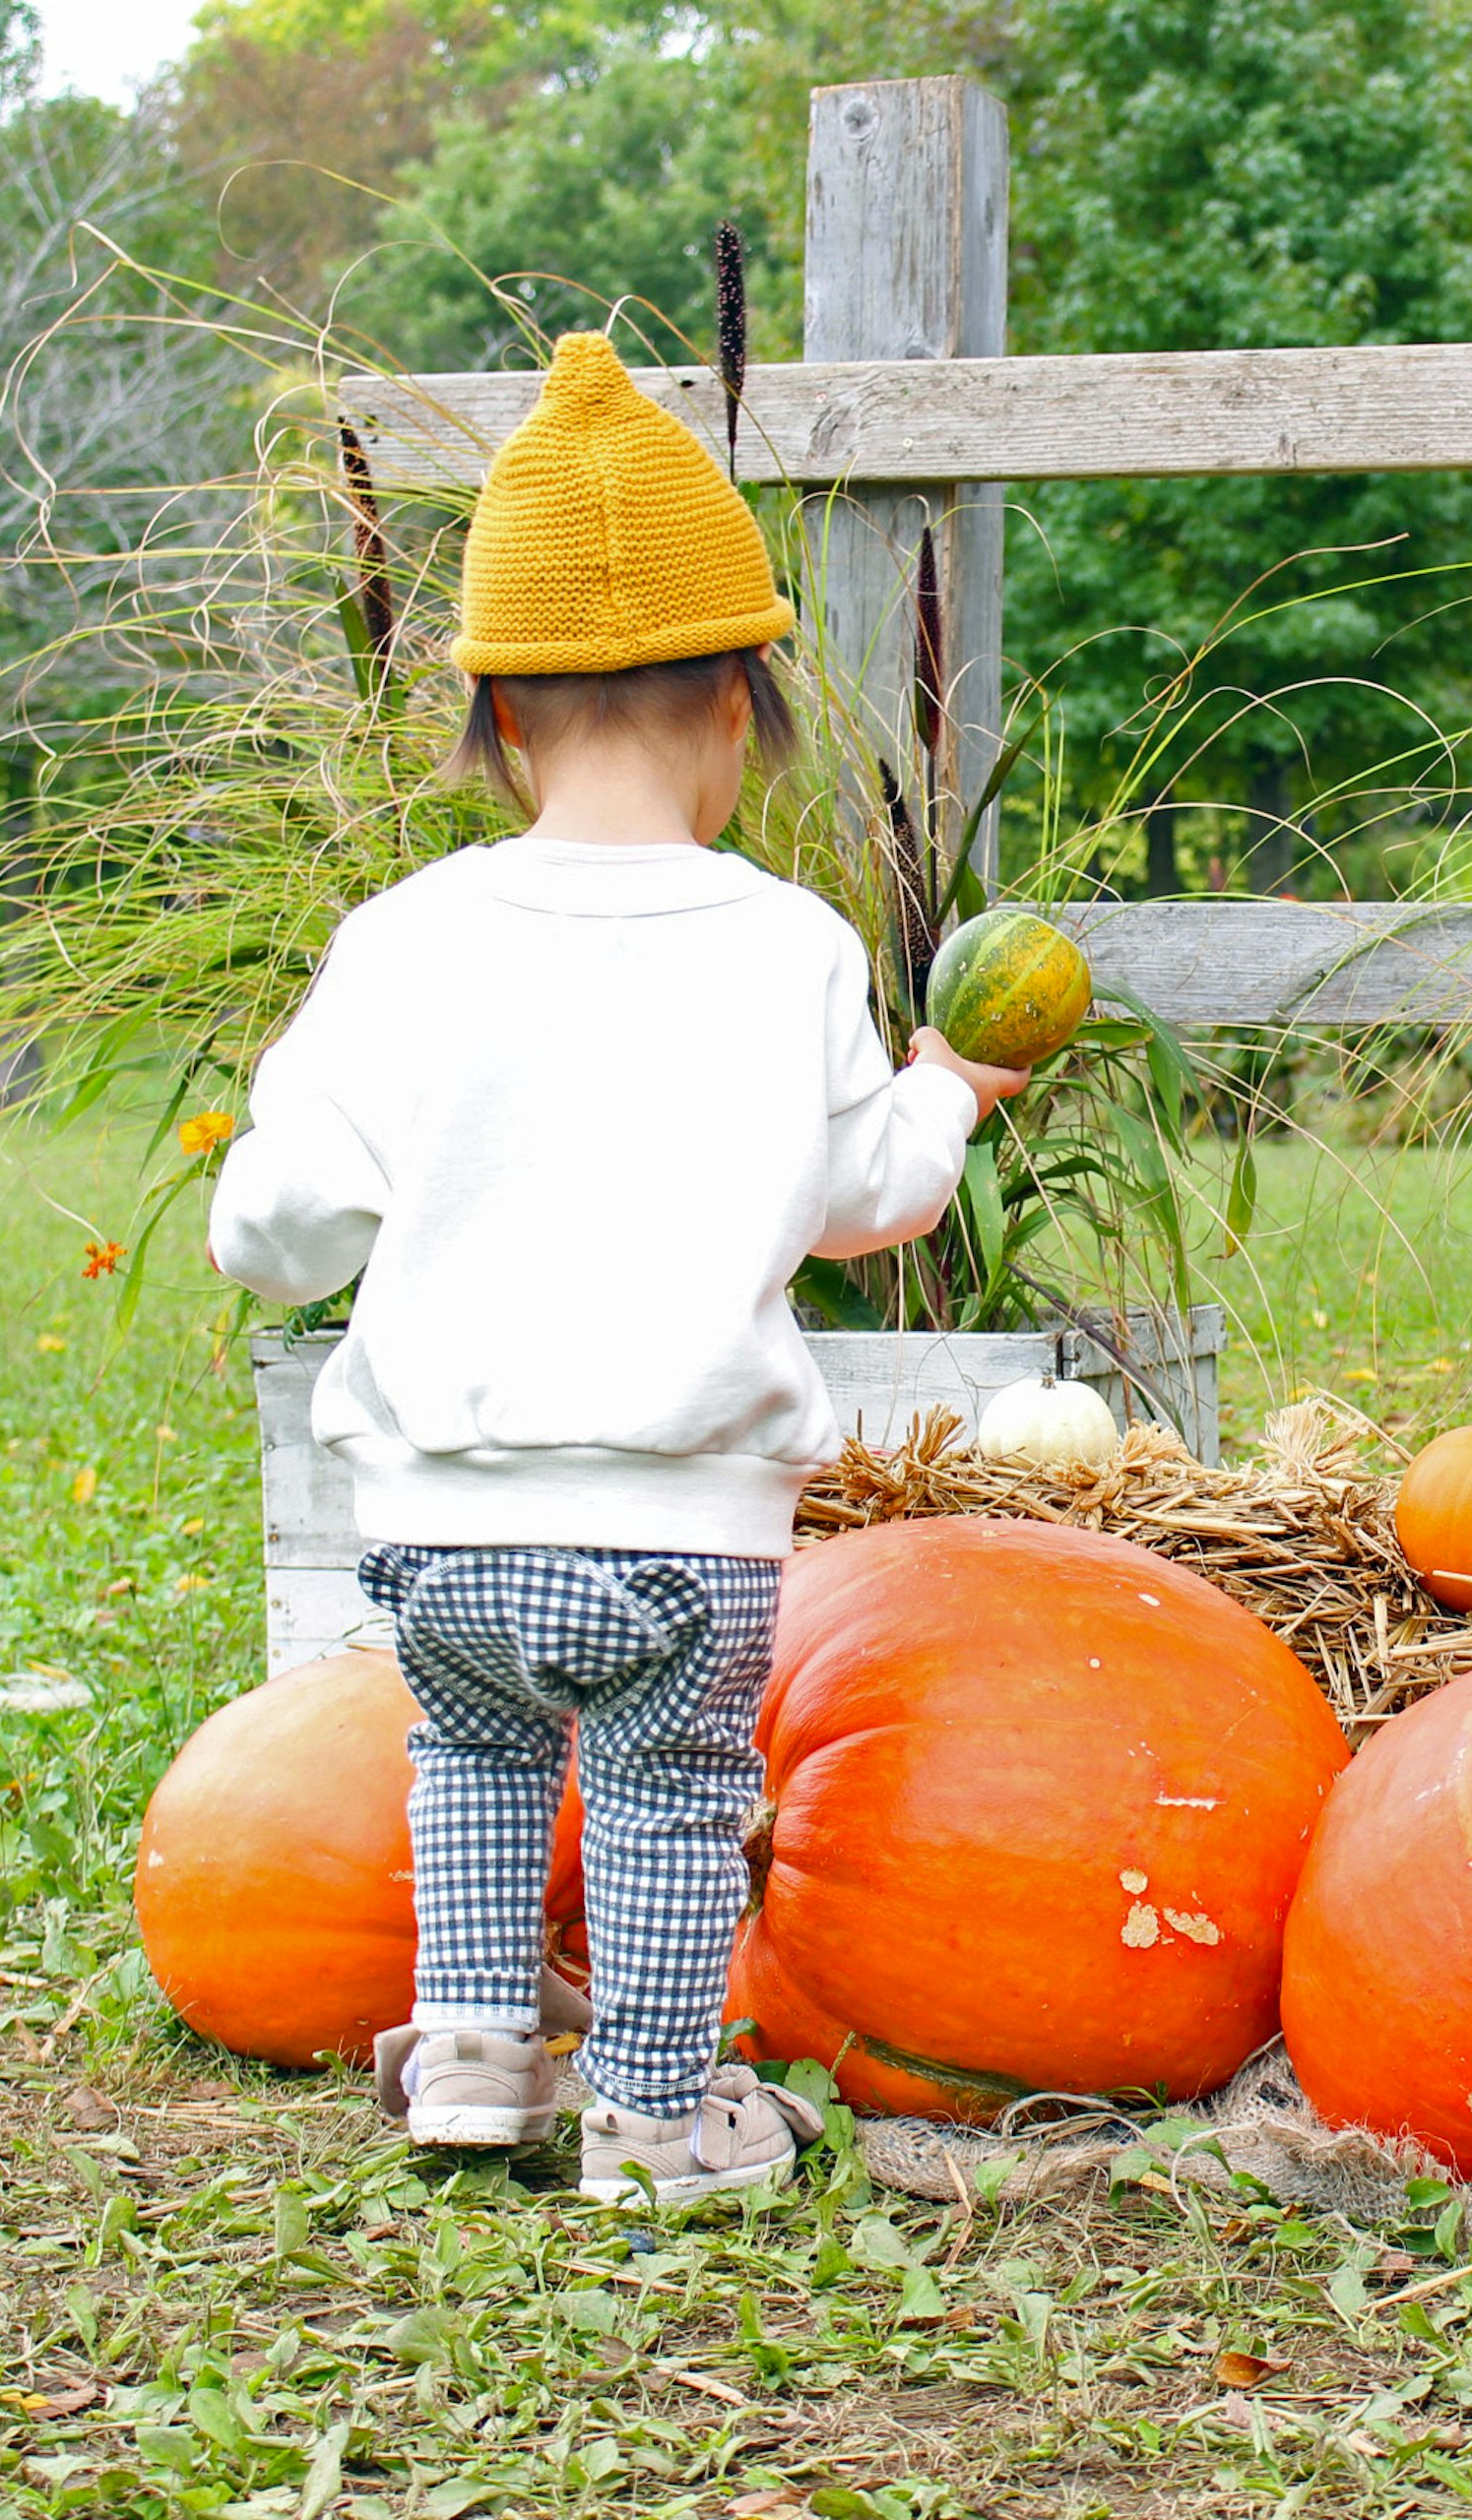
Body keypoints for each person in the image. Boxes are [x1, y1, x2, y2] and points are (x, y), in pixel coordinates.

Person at [206, 332, 1022, 2205]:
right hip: (682, 1534)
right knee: (669, 1809)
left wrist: (295, 1188)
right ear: (745, 711)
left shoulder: (401, 941)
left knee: (475, 1772)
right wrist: (951, 1090)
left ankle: (473, 2066)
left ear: (493, 725)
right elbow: (864, 1202)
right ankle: (660, 2121)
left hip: (440, 1530)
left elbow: (279, 1226)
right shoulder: (789, 944)